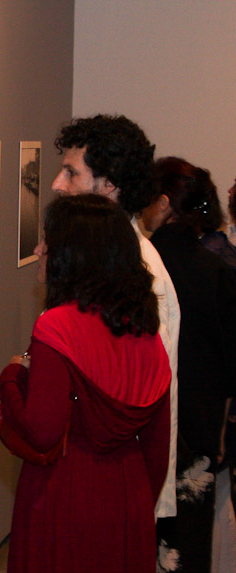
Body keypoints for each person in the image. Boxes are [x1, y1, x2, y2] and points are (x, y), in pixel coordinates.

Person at [0, 194, 171, 573]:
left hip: (63, 502)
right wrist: (134, 504)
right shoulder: (147, 336)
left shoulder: (56, 328)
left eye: (49, 240)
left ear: (74, 254)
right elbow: (158, 451)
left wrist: (11, 380)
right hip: (124, 502)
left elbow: (43, 430)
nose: (40, 250)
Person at [52, 115, 180, 523]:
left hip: (112, 484)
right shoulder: (105, 259)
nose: (57, 184)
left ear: (109, 185)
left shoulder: (139, 271)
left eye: (72, 173)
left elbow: (143, 396)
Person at [142, 158, 236, 573]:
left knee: (143, 529)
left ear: (160, 203)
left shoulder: (140, 263)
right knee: (191, 530)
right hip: (199, 417)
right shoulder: (215, 271)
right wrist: (219, 427)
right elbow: (229, 362)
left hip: (146, 413)